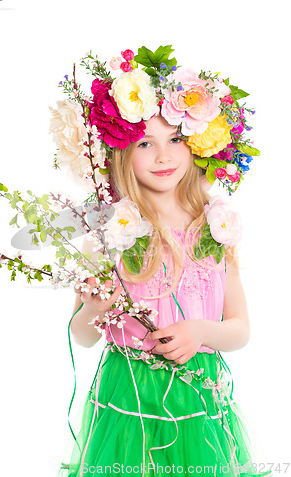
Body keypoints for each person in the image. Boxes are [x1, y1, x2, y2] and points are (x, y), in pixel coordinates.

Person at [52, 48, 272, 477]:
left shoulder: (215, 229)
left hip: (198, 399)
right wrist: (94, 309)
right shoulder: (110, 234)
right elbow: (81, 335)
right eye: (144, 144)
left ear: (194, 143)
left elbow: (241, 329)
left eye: (174, 139)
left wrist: (202, 331)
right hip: (128, 397)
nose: (163, 156)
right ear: (119, 153)